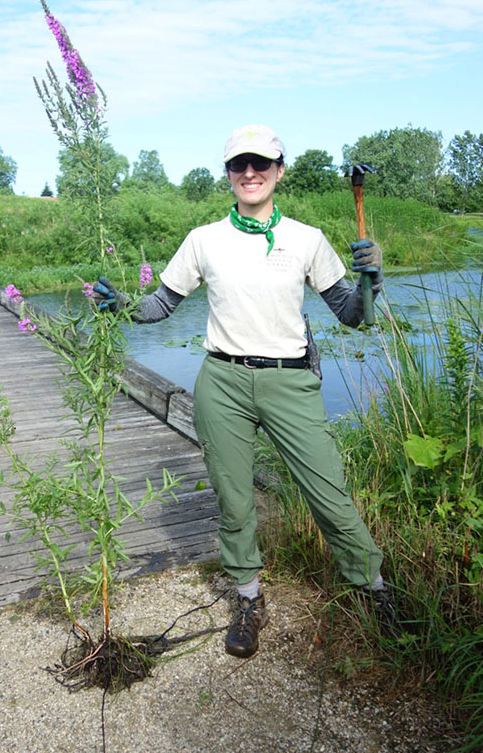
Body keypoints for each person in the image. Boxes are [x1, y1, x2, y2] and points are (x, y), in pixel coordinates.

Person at [95, 124, 397, 658]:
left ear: (279, 170)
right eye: (239, 164)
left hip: (290, 382)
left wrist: (372, 279)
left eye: (261, 163)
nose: (250, 173)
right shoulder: (204, 239)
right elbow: (160, 305)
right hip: (223, 383)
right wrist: (122, 304)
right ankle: (249, 599)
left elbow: (353, 315)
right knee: (234, 501)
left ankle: (374, 588)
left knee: (328, 494)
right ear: (228, 174)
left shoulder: (306, 239)